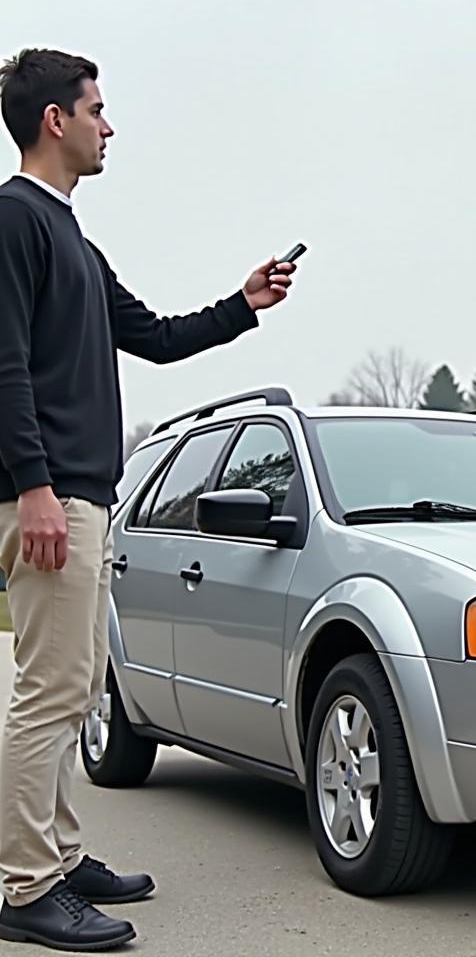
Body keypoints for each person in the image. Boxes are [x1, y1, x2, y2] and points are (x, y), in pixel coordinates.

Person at [0, 47, 296, 951]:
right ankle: (22, 886)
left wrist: (241, 305)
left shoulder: (75, 241)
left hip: (87, 494)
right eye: (97, 109)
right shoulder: (13, 221)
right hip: (49, 498)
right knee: (50, 693)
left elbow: (156, 338)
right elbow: (3, 365)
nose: (109, 125)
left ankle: (56, 855)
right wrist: (34, 489)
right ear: (57, 119)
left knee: (78, 683)